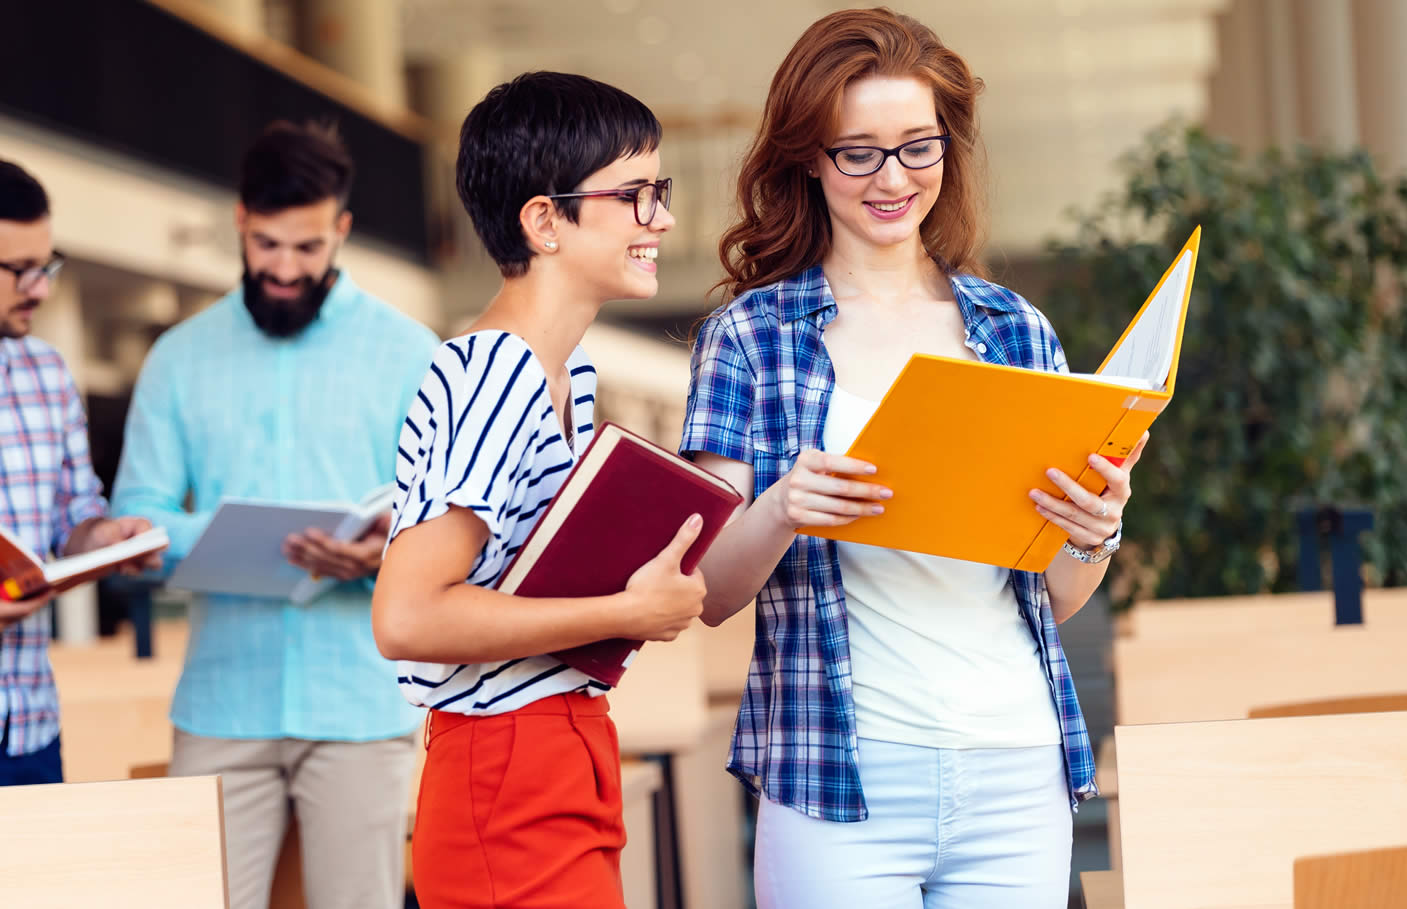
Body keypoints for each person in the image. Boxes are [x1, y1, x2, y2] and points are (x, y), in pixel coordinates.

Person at [681, 10, 1149, 908]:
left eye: (918, 147)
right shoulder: (750, 337)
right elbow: (704, 590)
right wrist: (782, 507)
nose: (892, 178)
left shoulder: (1014, 328)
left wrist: (1093, 531)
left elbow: (1054, 591)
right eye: (858, 152)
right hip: (838, 779)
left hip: (1017, 764)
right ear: (809, 158)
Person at [371, 71, 706, 909]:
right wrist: (623, 614)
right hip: (503, 766)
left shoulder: (564, 370)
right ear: (544, 220)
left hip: (554, 747)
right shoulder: (494, 371)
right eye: (634, 196)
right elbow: (408, 617)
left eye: (658, 193)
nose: (660, 219)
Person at [111, 122, 439, 909]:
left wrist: (381, 554)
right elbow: (137, 516)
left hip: (360, 708)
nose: (285, 268)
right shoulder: (178, 358)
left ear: (342, 231)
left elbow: (440, 528)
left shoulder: (411, 353)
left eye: (307, 248)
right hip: (222, 703)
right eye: (267, 245)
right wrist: (218, 536)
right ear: (239, 221)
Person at [0, 160, 162, 786]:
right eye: (17, 270)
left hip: (30, 727)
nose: (39, 288)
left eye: (45, 264)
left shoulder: (47, 375)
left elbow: (74, 515)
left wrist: (103, 539)